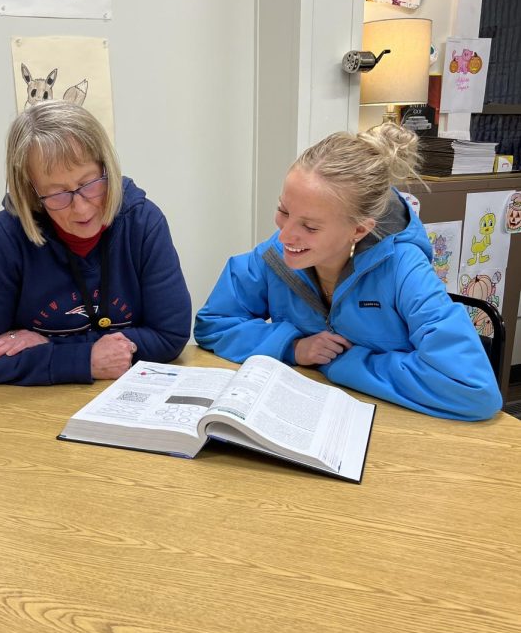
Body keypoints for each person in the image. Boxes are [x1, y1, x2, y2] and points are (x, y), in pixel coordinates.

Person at [194, 124, 501, 421]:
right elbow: (214, 324)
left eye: (309, 226)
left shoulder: (405, 270)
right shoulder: (275, 255)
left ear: (358, 229)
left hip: (397, 431)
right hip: (307, 414)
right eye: (284, 211)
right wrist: (292, 346)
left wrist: (345, 363)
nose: (285, 236)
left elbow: (473, 389)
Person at [0, 101, 191, 384]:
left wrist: (52, 349)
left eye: (90, 183)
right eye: (57, 194)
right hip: (32, 409)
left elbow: (170, 336)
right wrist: (85, 360)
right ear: (31, 192)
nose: (82, 209)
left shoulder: (142, 222)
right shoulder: (8, 235)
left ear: (107, 167)